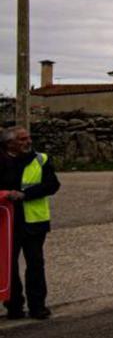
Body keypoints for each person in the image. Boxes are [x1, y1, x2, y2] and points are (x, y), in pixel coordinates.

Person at [1, 126, 61, 320]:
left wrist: (25, 195)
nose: (28, 142)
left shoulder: (40, 159)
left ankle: (38, 307)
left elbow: (52, 185)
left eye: (28, 138)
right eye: (22, 139)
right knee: (8, 266)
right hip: (7, 222)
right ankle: (14, 307)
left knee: (35, 264)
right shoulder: (1, 161)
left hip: (34, 221)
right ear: (9, 143)